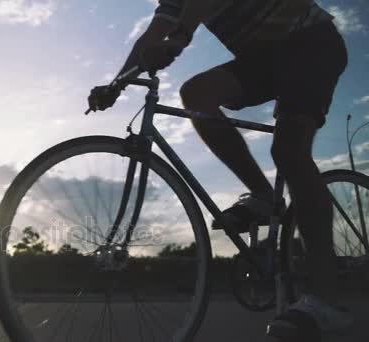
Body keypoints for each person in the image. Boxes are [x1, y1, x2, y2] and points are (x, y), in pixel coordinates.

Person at [88, 0, 352, 339]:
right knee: (197, 94)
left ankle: (327, 299)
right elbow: (151, 38)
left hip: (310, 42)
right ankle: (261, 194)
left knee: (289, 151)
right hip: (264, 59)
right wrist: (116, 84)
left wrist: (180, 37)